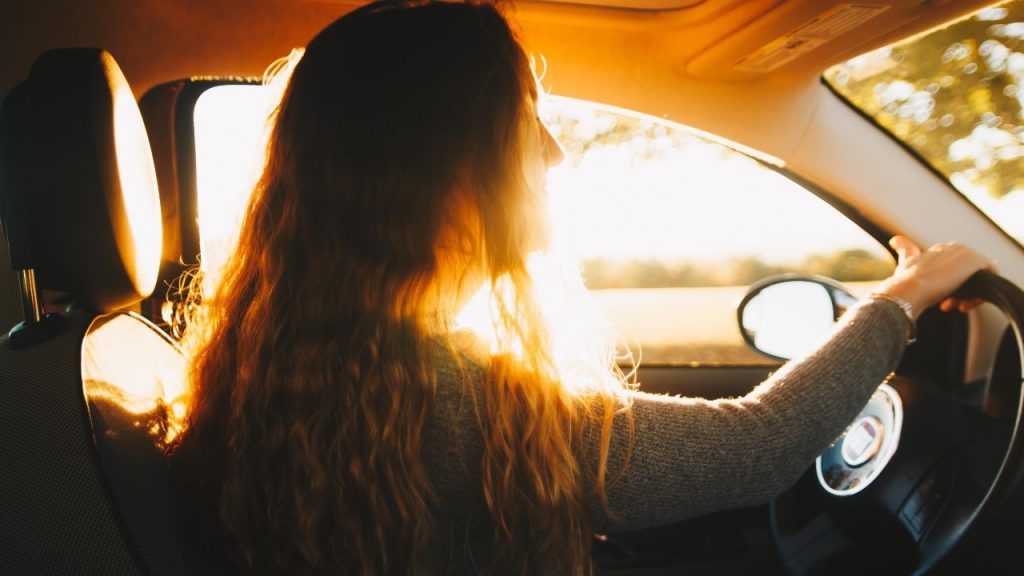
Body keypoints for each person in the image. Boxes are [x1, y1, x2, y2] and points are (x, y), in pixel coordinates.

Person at [167, 1, 995, 574]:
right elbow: (761, 446)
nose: (554, 157)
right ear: (441, 176)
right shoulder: (462, 405)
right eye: (524, 127)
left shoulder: (280, 367)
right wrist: (903, 297)